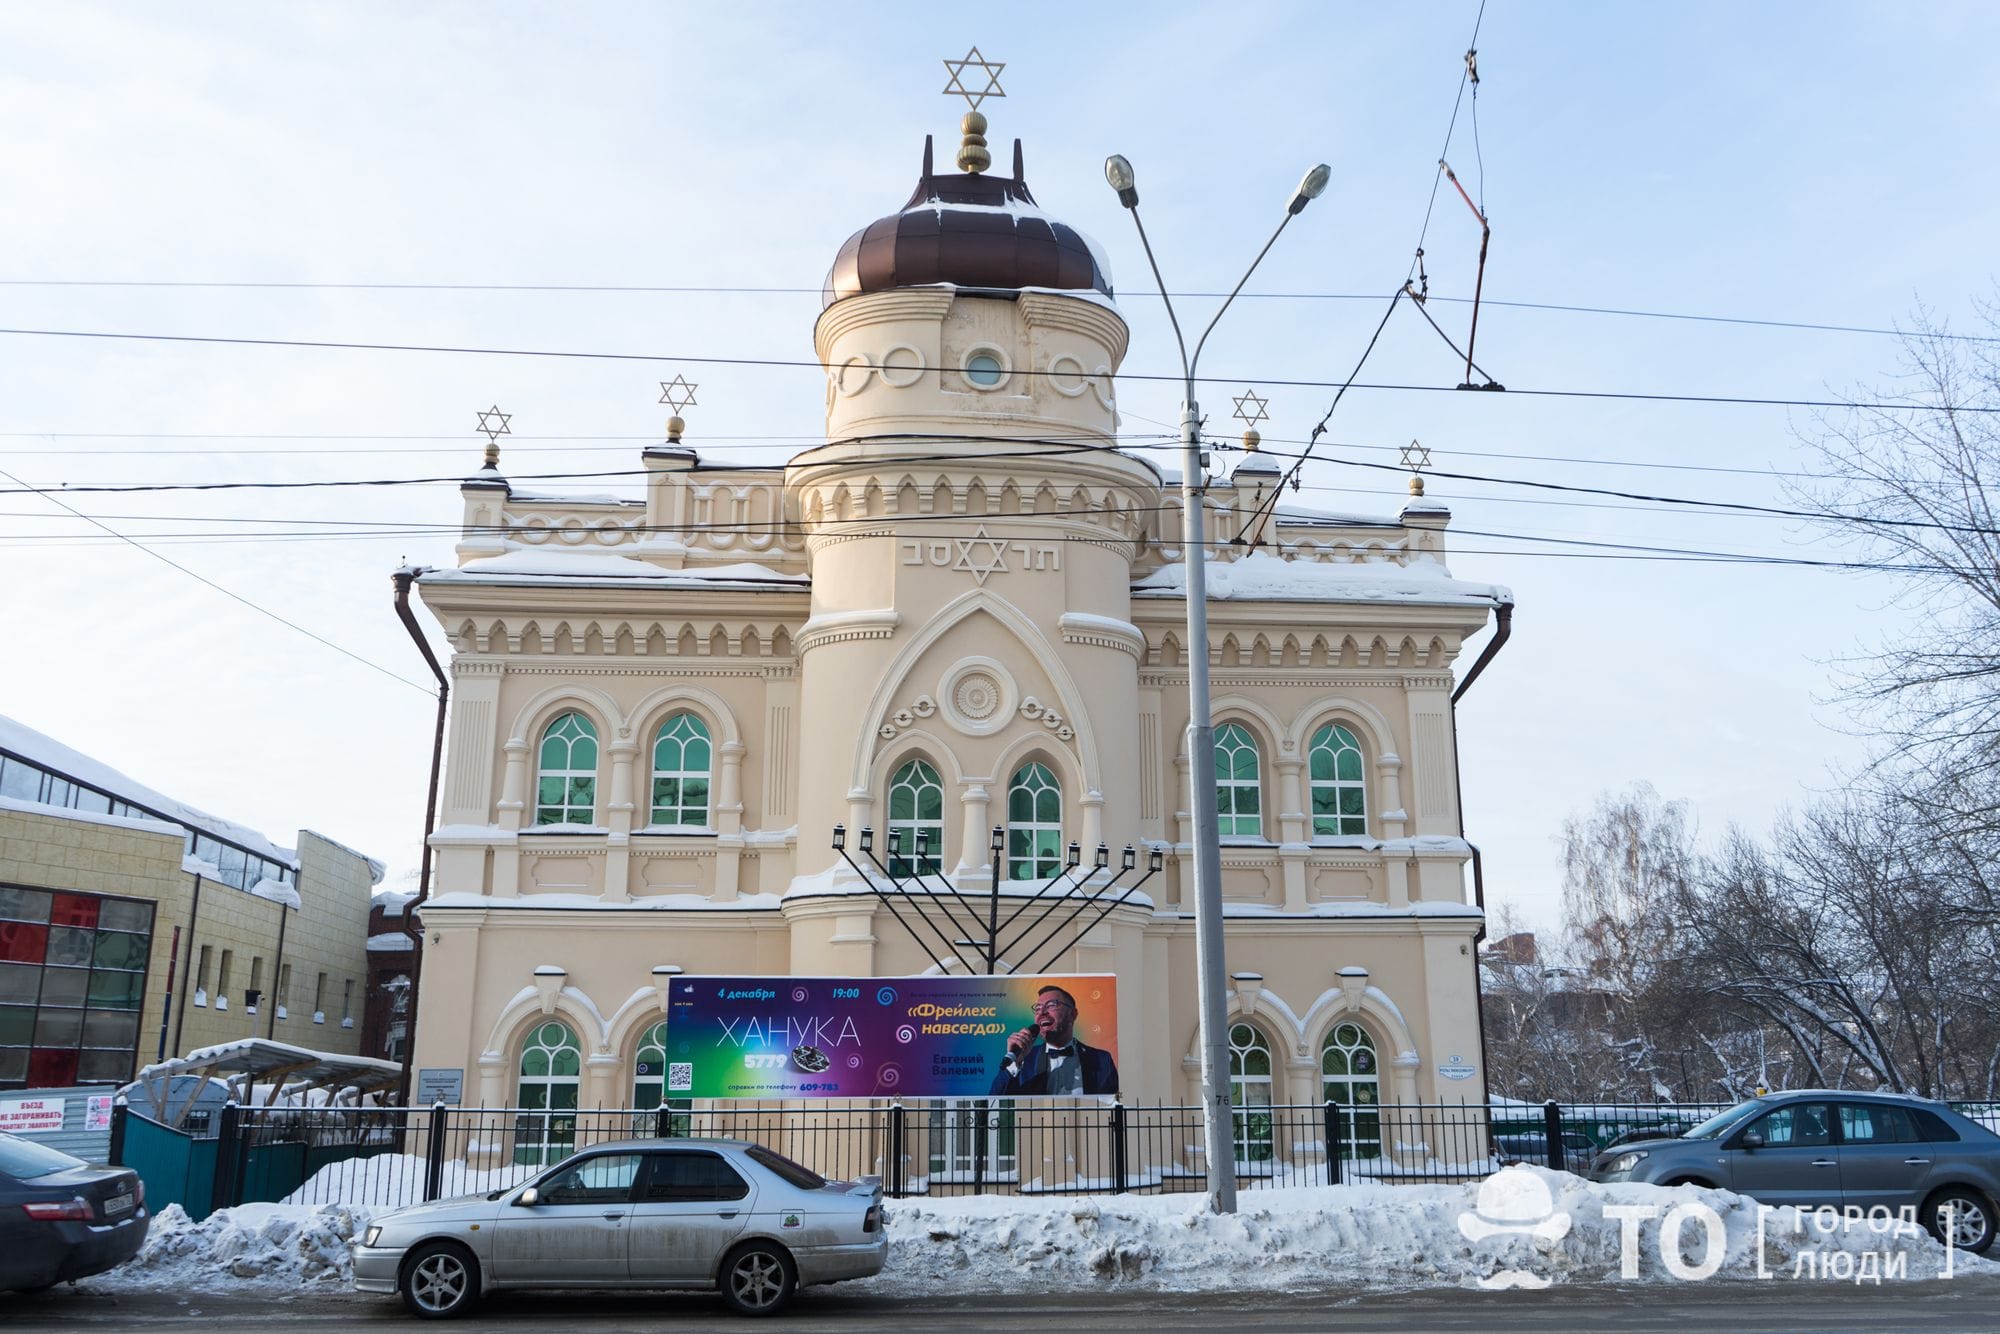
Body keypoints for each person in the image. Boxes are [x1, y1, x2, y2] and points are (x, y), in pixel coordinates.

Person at [988, 984, 1118, 1095]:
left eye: (1051, 1005)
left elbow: (1113, 1103)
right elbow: (996, 1099)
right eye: (1037, 1008)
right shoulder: (1023, 1059)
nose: (1042, 1012)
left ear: (1072, 1014)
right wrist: (1015, 1062)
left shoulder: (1101, 1059)